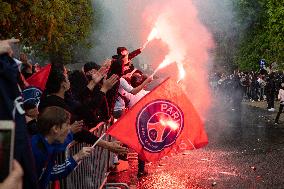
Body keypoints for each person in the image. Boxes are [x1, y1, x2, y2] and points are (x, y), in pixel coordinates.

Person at [31, 106, 94, 189]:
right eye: (67, 124)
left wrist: (78, 156)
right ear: (55, 128)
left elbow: (51, 172)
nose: (69, 128)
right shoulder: (35, 150)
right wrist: (77, 156)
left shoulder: (47, 144)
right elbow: (50, 173)